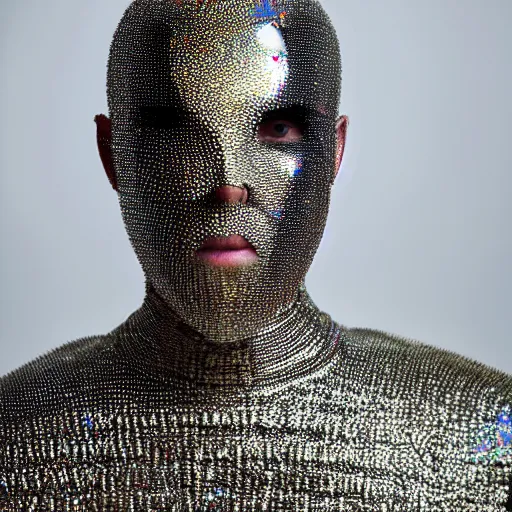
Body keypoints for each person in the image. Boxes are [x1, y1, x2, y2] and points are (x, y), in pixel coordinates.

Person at [1, 0, 511, 510]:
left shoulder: (487, 431)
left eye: (277, 129)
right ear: (114, 155)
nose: (228, 181)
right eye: (178, 129)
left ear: (332, 153)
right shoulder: (14, 435)